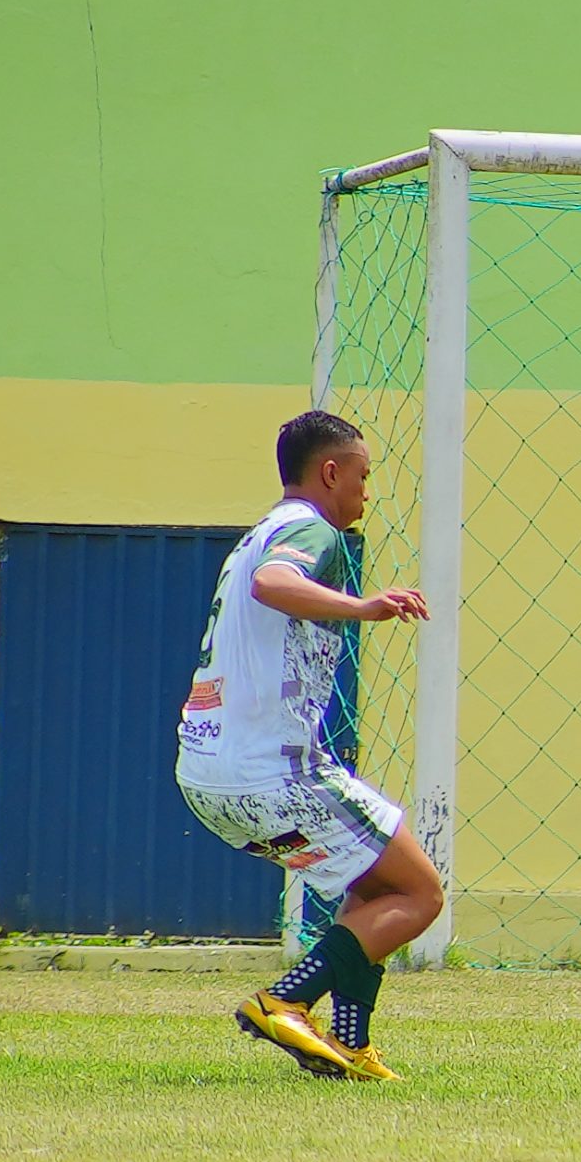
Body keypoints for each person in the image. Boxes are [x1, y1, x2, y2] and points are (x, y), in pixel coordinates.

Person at [178, 410, 442, 1082]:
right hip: (270, 768)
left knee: (376, 881)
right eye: (362, 475)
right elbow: (275, 583)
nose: (367, 491)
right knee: (420, 892)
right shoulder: (310, 528)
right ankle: (286, 998)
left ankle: (349, 1042)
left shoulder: (255, 534)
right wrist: (364, 607)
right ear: (330, 472)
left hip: (207, 772)